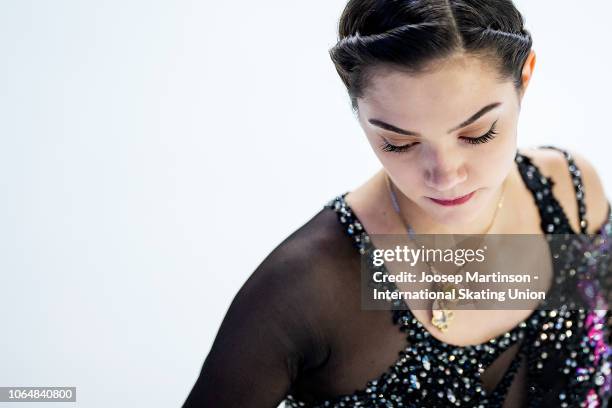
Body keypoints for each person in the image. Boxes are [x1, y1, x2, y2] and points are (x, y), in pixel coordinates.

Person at [183, 0, 612, 406]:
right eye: (398, 143)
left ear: (525, 76)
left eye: (476, 133)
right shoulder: (307, 290)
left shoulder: (571, 195)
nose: (445, 176)